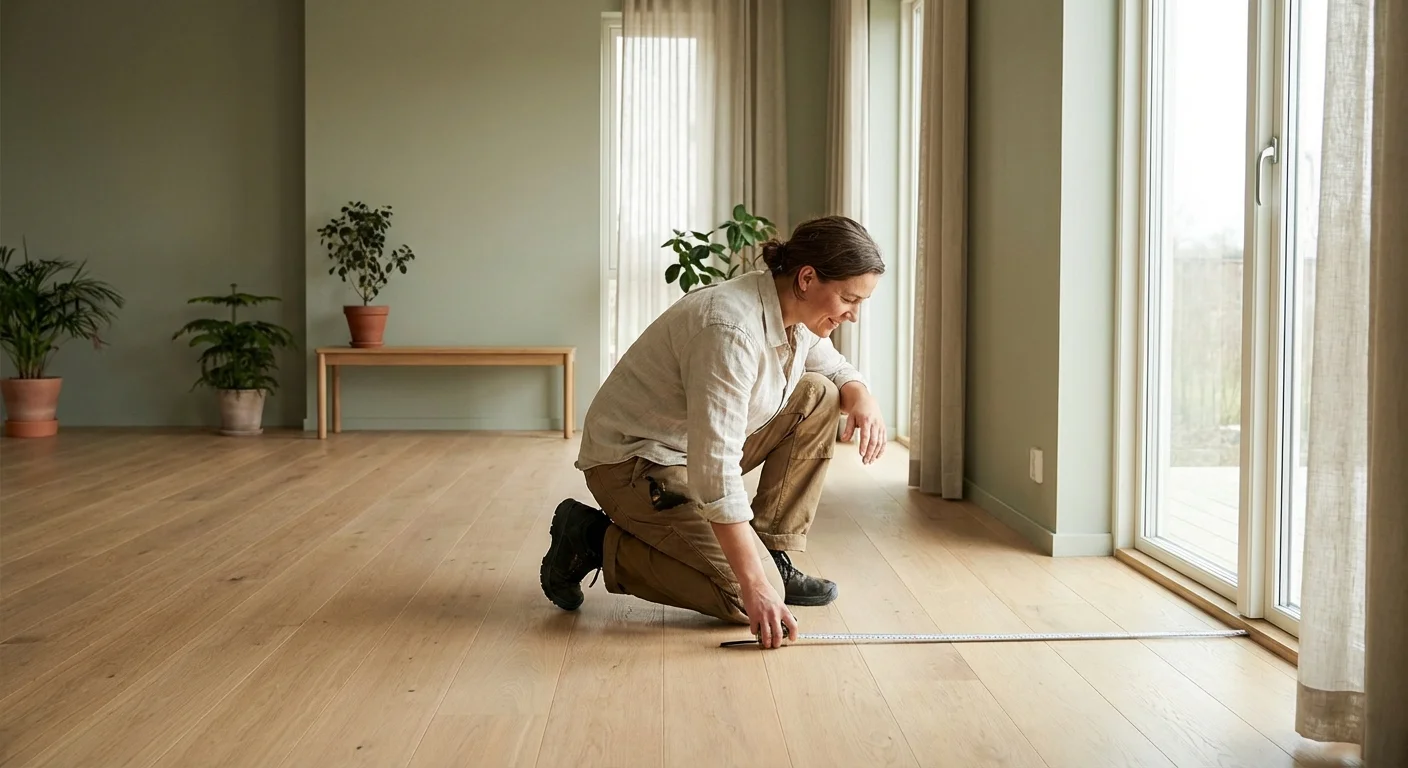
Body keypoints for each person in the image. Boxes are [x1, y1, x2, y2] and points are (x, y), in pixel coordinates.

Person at [540, 215, 887, 649]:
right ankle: (591, 539)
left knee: (821, 393)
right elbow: (717, 474)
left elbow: (830, 364)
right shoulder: (730, 329)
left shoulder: (791, 310)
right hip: (637, 463)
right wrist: (753, 584)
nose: (852, 315)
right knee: (745, 599)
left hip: (692, 452)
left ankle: (773, 554)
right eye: (849, 299)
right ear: (807, 277)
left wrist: (860, 394)